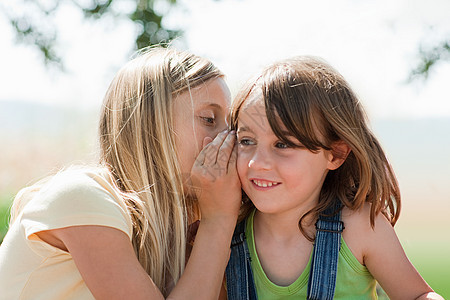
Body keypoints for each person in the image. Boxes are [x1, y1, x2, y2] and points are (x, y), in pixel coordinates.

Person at [0, 47, 241, 299]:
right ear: (151, 125)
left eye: (231, 124)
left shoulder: (180, 230)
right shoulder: (82, 196)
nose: (229, 138)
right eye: (209, 119)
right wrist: (219, 221)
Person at [224, 56, 444, 299]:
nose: (257, 162)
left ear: (336, 154)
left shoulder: (359, 227)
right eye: (246, 141)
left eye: (283, 144)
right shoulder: (226, 234)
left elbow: (417, 296)